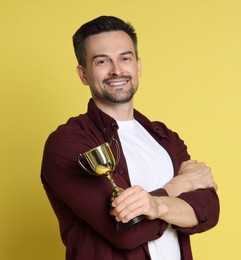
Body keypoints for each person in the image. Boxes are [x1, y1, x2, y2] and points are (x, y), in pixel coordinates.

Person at [41, 15, 220, 260]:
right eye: (102, 61)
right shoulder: (68, 143)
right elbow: (126, 232)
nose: (117, 70)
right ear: (83, 74)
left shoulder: (164, 137)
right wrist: (179, 186)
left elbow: (208, 208)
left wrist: (155, 205)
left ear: (138, 66)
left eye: (125, 58)